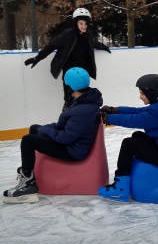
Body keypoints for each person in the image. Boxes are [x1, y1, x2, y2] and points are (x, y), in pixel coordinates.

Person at [3, 68, 103, 204]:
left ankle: (28, 183)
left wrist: (46, 130)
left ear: (69, 86)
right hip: (73, 143)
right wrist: (45, 128)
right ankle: (31, 170)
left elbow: (66, 137)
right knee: (34, 128)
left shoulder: (83, 109)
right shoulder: (83, 101)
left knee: (27, 140)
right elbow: (64, 126)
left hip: (72, 151)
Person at [98, 74, 158, 202]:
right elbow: (138, 111)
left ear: (151, 92)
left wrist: (109, 119)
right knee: (137, 136)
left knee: (128, 144)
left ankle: (120, 189)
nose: (140, 97)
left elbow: (136, 119)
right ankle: (132, 177)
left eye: (142, 93)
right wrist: (114, 110)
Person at [24, 8, 111, 111]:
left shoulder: (88, 34)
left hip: (83, 70)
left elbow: (93, 43)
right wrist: (37, 58)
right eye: (81, 23)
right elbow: (51, 46)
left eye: (85, 24)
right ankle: (66, 118)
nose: (84, 26)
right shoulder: (67, 35)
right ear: (76, 23)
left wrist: (104, 47)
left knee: (83, 95)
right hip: (69, 70)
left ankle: (81, 118)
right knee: (69, 97)